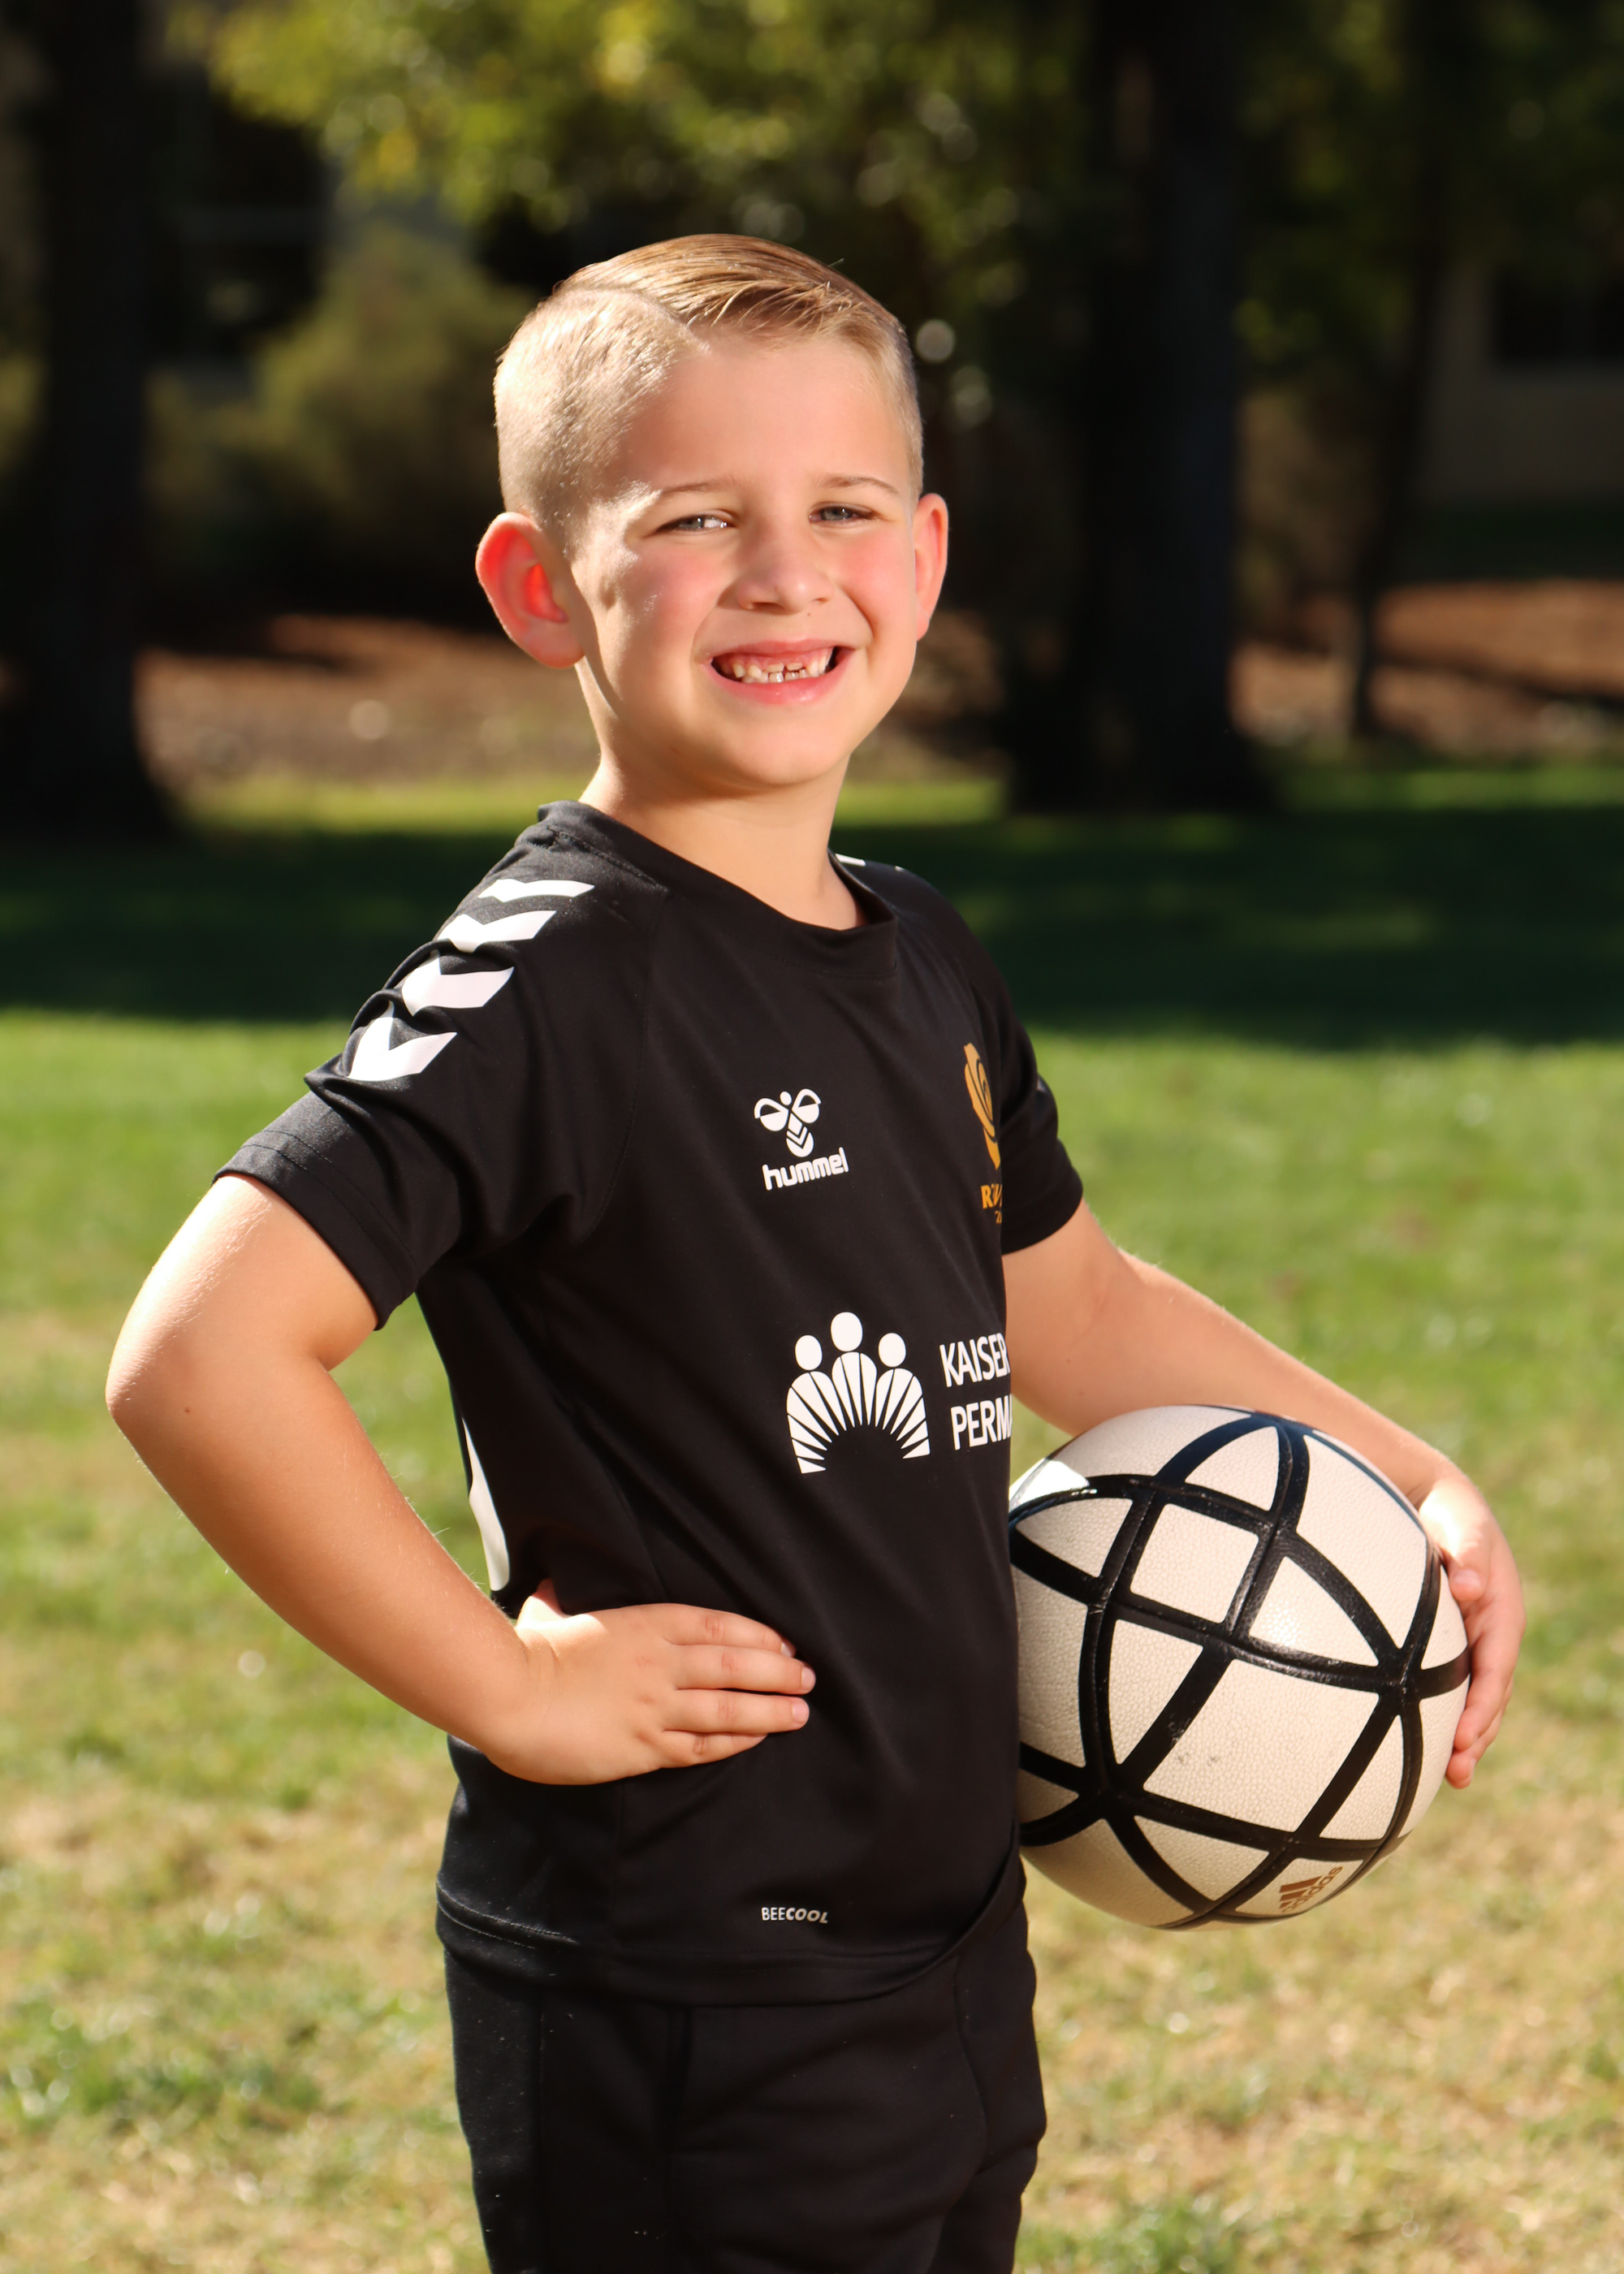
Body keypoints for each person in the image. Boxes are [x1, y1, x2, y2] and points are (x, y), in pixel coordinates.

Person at [106, 236, 1524, 2274]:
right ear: (538, 586)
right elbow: (200, 1355)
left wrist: (1405, 1474)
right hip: (679, 1981)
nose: (785, 575)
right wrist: (508, 1684)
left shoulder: (922, 951)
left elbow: (1073, 1303)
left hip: (940, 1942)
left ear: (926, 560)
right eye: (696, 520)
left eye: (844, 509)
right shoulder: (544, 986)